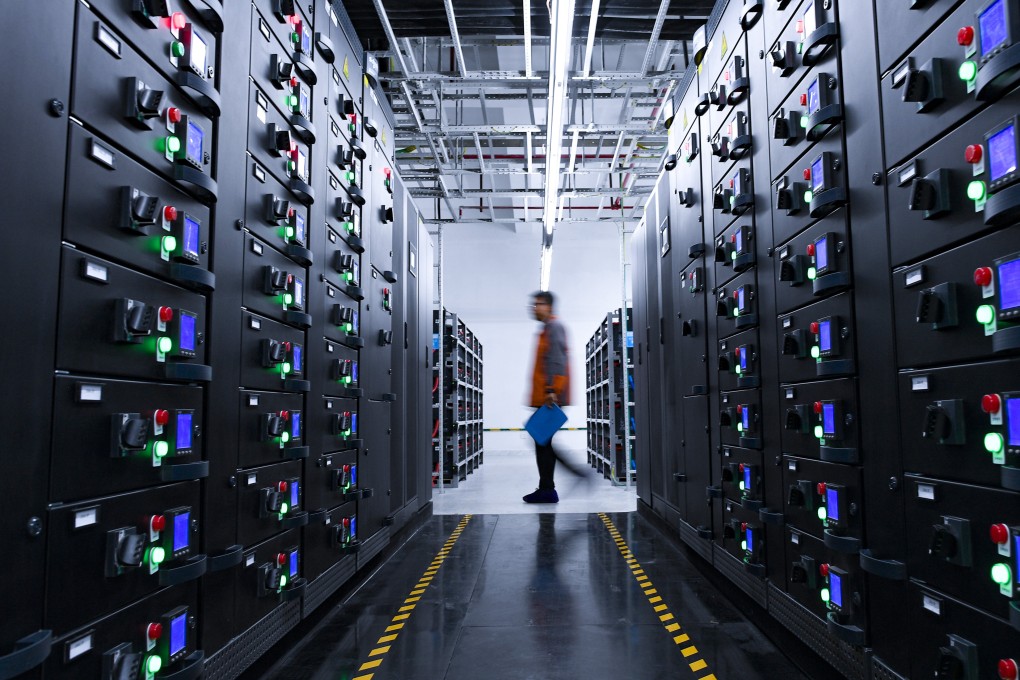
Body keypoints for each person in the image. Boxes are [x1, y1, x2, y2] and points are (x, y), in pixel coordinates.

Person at [524, 291, 584, 503]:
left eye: (537, 304)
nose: (533, 307)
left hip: (549, 396)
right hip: (544, 395)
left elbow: (557, 359)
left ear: (548, 306)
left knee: (542, 439)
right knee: (541, 440)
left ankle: (556, 485)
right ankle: (548, 488)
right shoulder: (545, 329)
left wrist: (552, 390)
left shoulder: (554, 327)